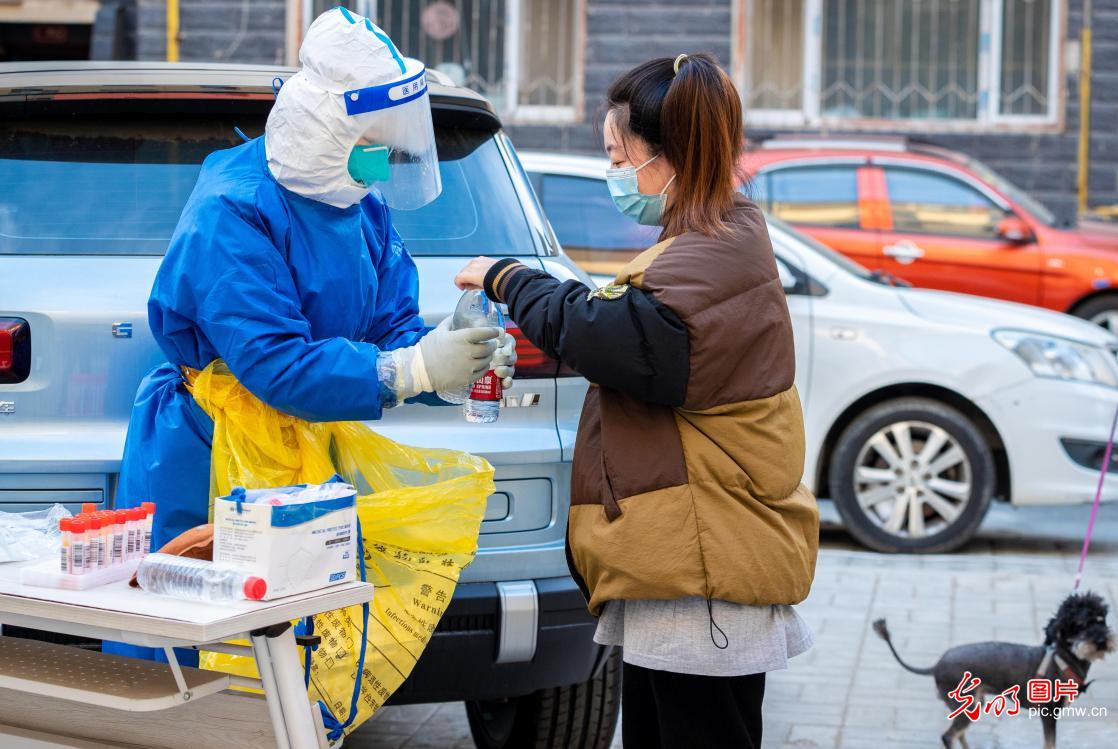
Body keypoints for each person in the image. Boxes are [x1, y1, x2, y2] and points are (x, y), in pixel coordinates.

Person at [107, 8, 514, 663]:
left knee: (295, 651)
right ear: (326, 130)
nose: (386, 160)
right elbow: (276, 363)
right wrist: (413, 370)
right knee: (193, 649)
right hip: (211, 449)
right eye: (374, 140)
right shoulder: (233, 210)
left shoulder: (357, 202)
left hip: (302, 456)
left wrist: (451, 358)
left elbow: (391, 332)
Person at [455, 54, 818, 748]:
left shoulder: (709, 257)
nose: (616, 171)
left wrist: (508, 276)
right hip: (687, 558)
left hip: (706, 569)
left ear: (670, 158)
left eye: (620, 156)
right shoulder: (716, 239)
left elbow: (604, 333)